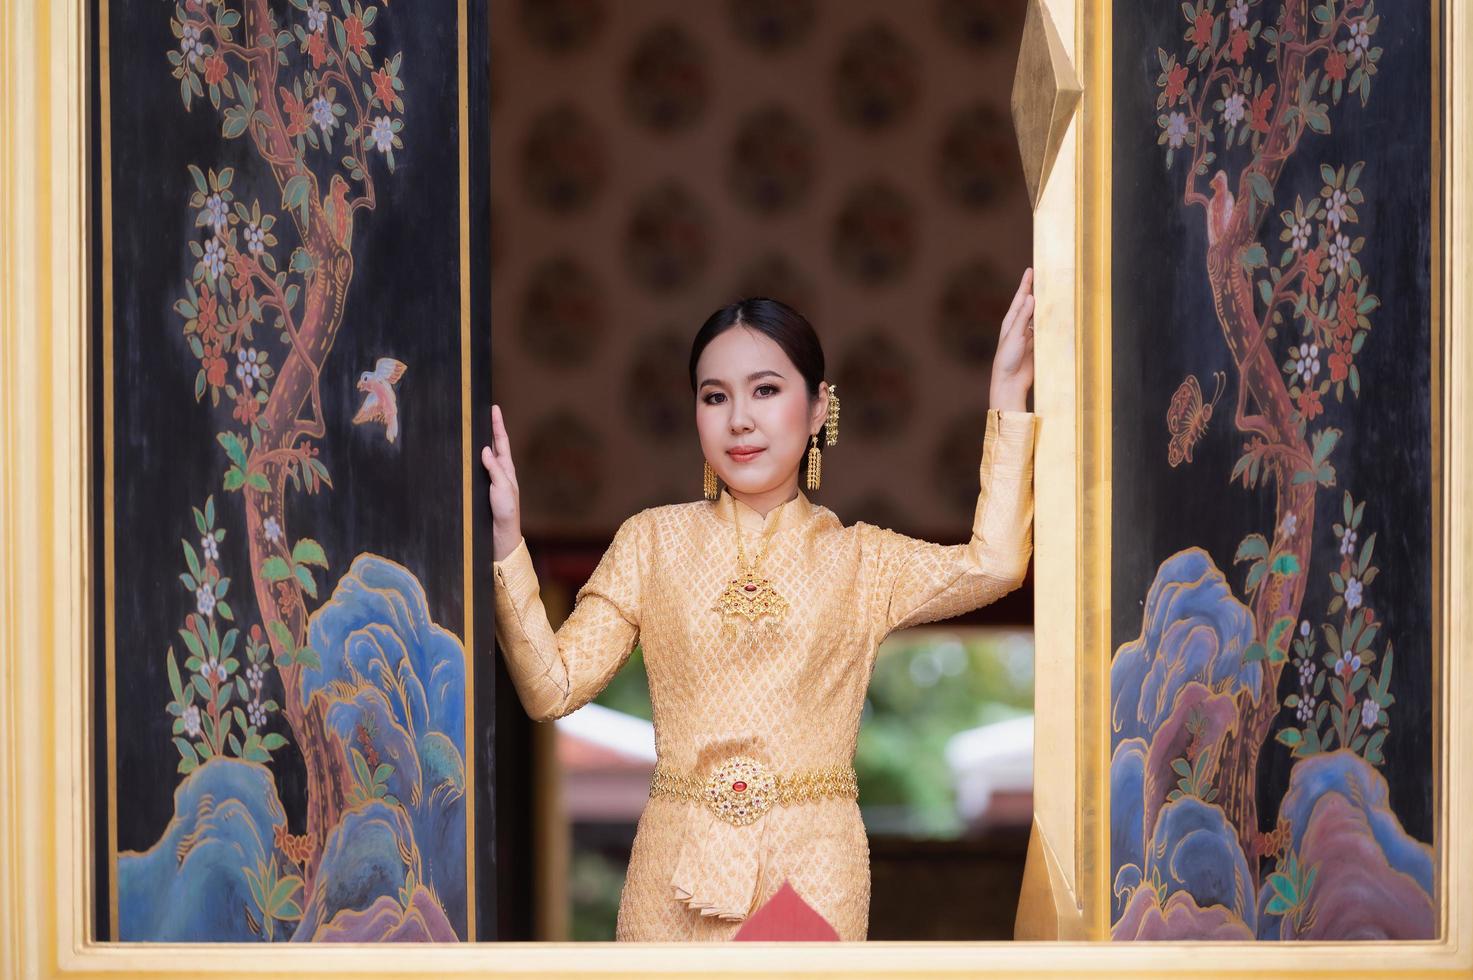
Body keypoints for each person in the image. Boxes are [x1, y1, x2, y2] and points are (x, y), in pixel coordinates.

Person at [481, 268, 1038, 941]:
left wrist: (1009, 395)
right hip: (674, 869)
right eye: (714, 396)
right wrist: (508, 541)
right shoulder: (650, 542)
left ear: (816, 407)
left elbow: (996, 563)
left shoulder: (861, 559)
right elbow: (551, 688)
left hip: (811, 867)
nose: (739, 419)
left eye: (766, 391)